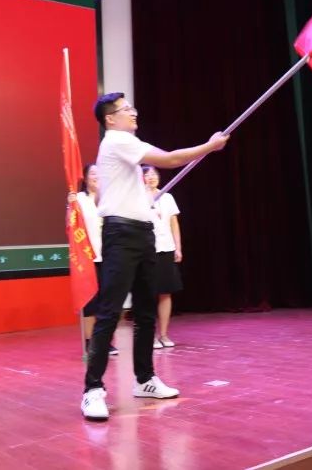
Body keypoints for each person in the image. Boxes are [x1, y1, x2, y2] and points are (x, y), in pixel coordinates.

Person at [81, 92, 228, 421]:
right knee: (110, 312)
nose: (133, 112)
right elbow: (171, 159)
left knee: (146, 311)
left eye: (132, 107)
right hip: (121, 235)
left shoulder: (123, 146)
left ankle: (145, 379)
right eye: (126, 109)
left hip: (142, 232)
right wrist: (209, 146)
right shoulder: (117, 140)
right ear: (110, 119)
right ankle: (92, 390)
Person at [72, 164, 118, 357]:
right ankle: (91, 342)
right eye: (92, 173)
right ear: (85, 178)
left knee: (108, 302)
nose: (96, 176)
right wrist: (71, 205)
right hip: (88, 257)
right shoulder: (79, 199)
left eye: (99, 173)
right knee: (91, 302)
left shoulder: (109, 197)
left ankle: (106, 342)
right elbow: (72, 222)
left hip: (108, 255)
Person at [142, 165, 182, 349]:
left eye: (154, 174)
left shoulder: (167, 197)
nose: (151, 177)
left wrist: (178, 248)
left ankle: (163, 335)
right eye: (147, 175)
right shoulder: (138, 199)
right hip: (148, 250)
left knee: (165, 292)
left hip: (166, 248)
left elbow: (174, 224)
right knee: (148, 294)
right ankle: (148, 336)